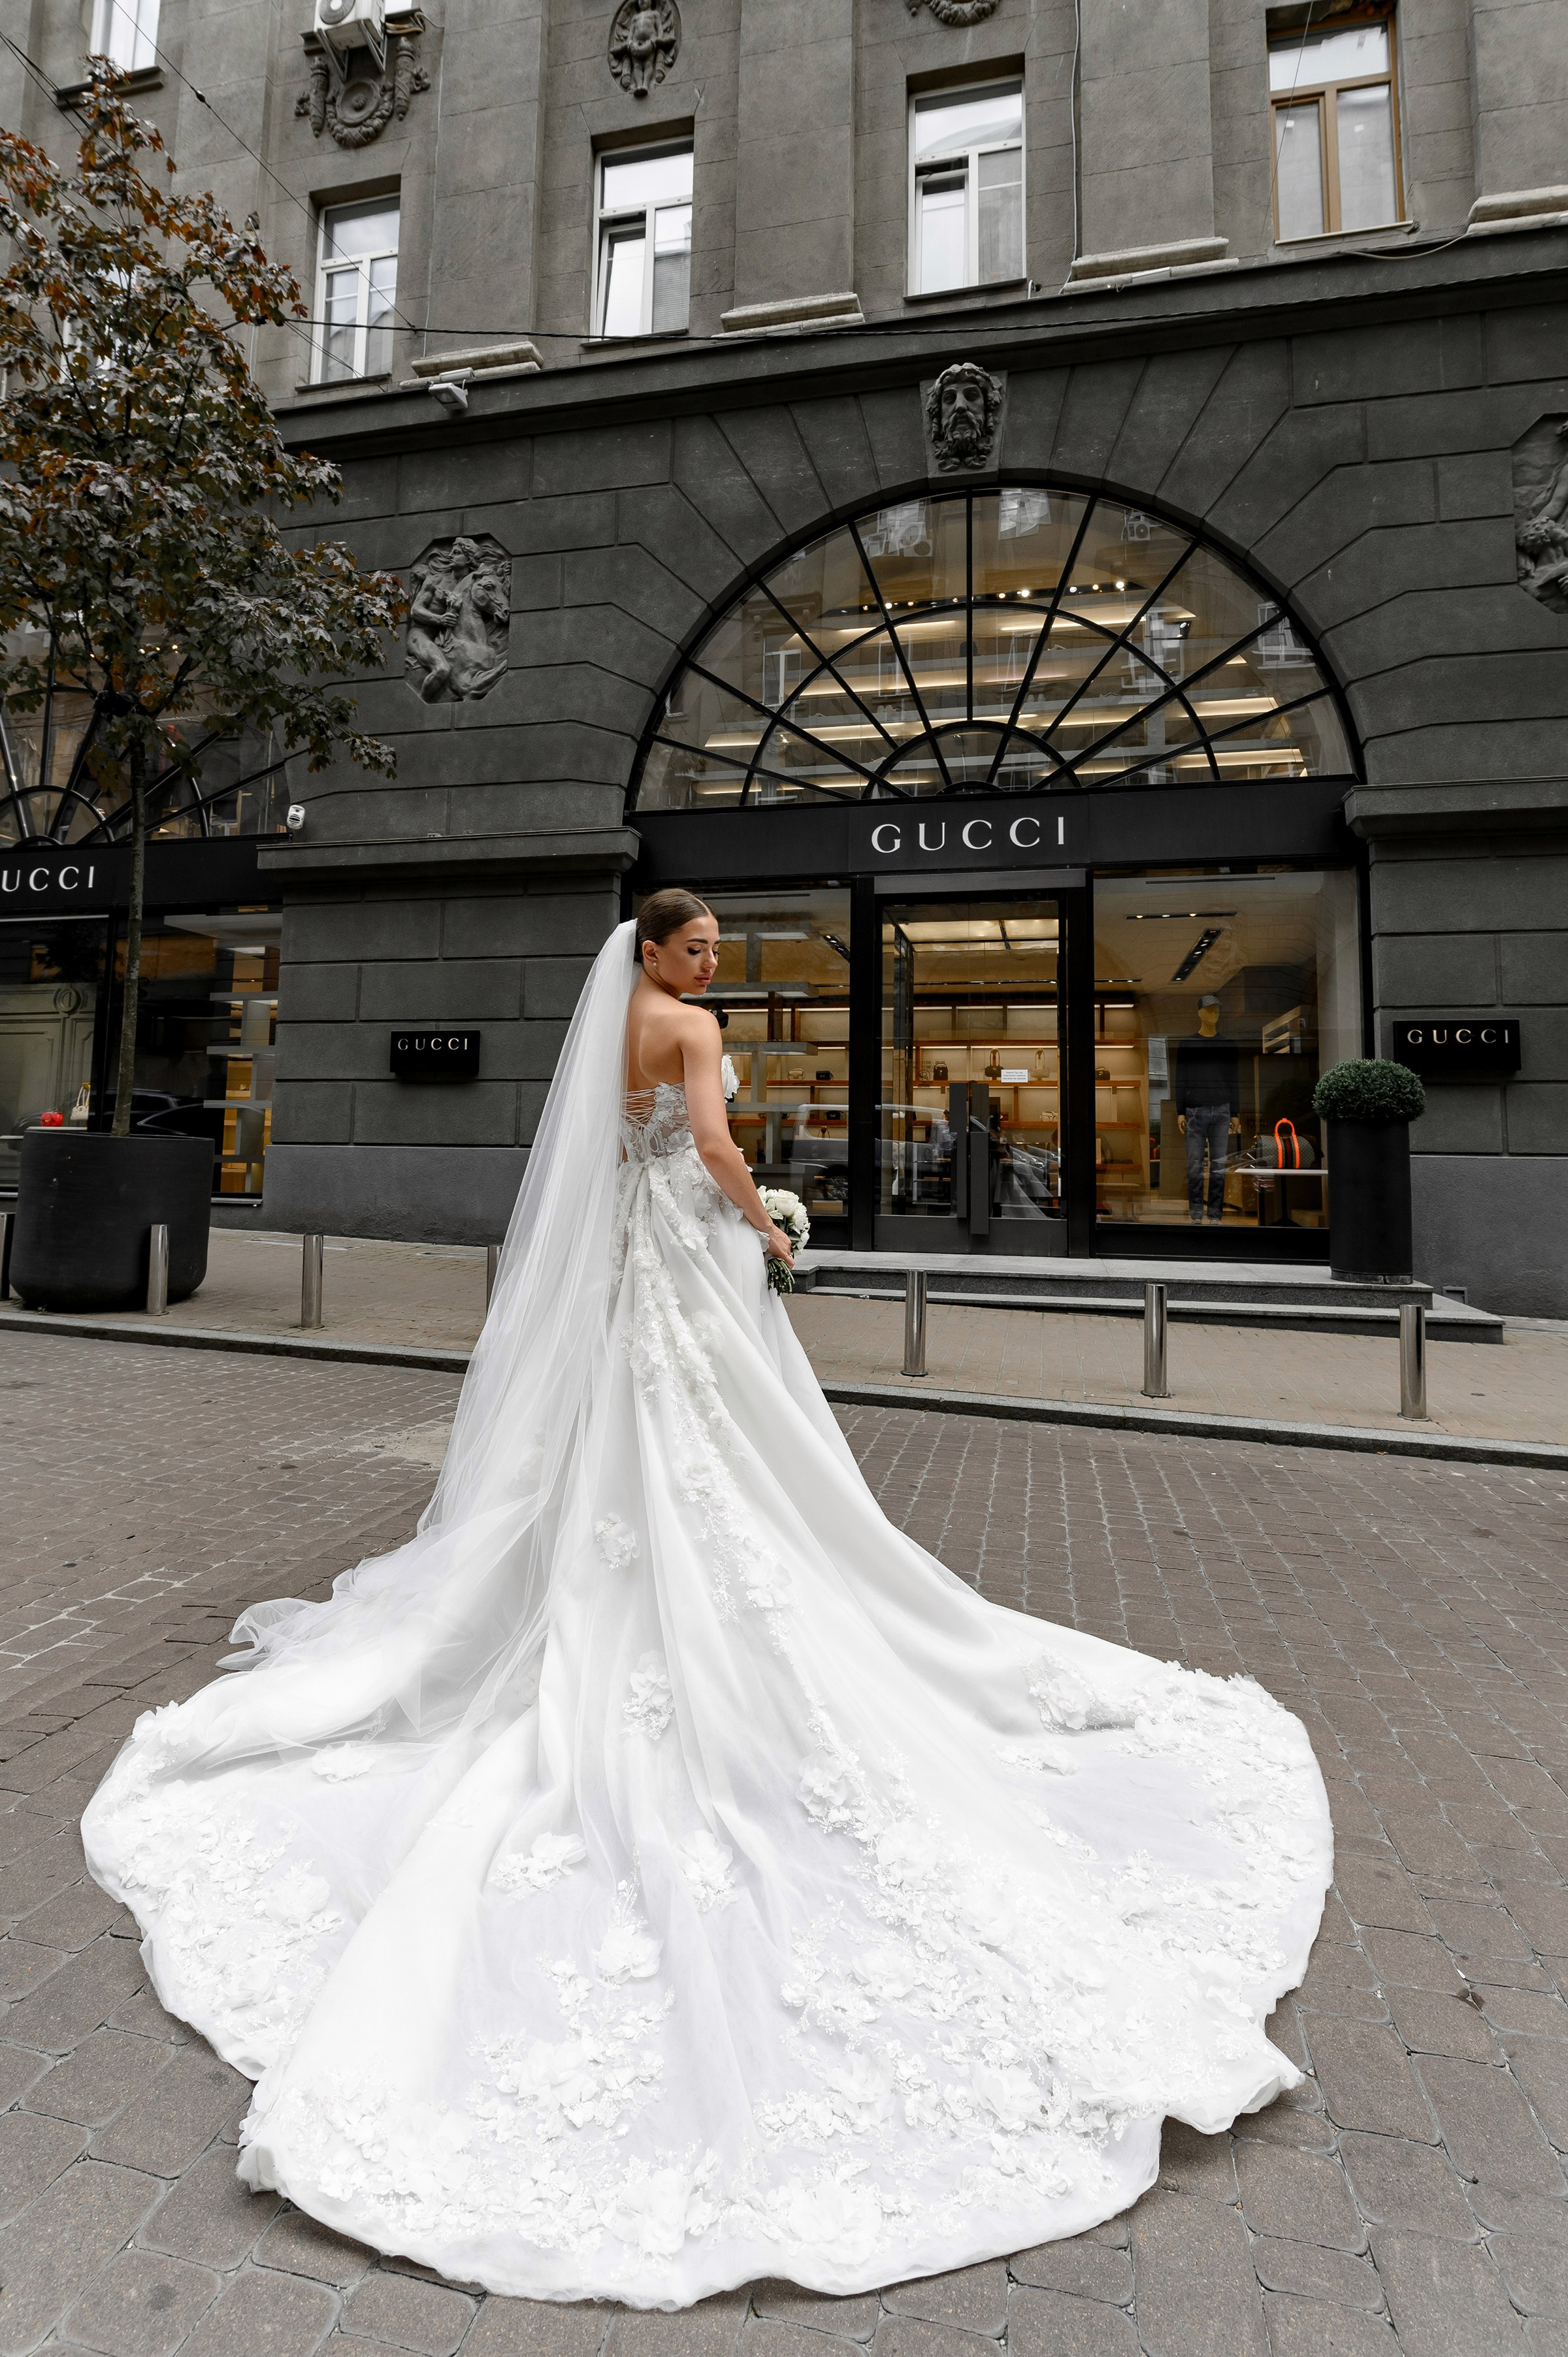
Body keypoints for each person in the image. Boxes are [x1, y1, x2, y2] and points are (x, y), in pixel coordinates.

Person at [82, 892, 1331, 2309]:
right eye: (702, 945)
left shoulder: (611, 1022)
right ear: (659, 946)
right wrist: (775, 1229)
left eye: (722, 952)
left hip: (639, 1271)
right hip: (688, 1255)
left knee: (646, 1453)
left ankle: (624, 1609)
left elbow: (617, 1161)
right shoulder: (685, 1027)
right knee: (726, 1458)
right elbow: (723, 1147)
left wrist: (715, 1206)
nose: (715, 965)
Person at [1175, 995, 1241, 1225]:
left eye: (1216, 1011)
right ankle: (1196, 1214)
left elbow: (1234, 1080)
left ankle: (1214, 1215)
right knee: (1194, 1164)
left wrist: (1235, 1112)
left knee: (1219, 1166)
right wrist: (1180, 1110)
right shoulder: (1188, 1044)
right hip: (1195, 1110)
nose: (1214, 1014)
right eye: (1209, 1010)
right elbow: (1180, 1079)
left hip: (1222, 1110)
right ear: (1200, 1013)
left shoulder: (1228, 1045)